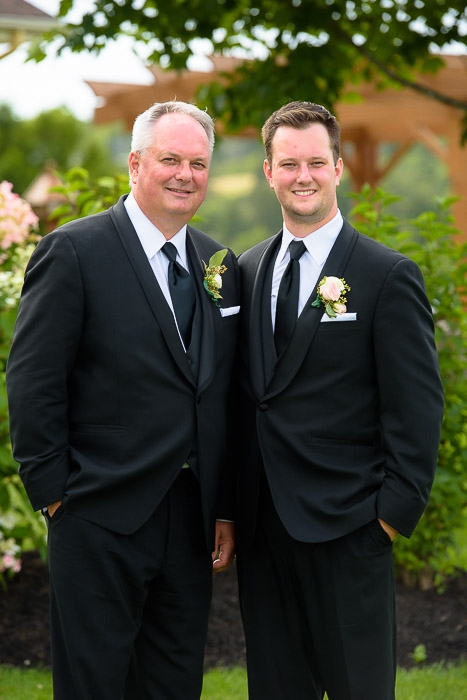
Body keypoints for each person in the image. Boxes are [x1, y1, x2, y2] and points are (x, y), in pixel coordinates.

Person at [6, 100, 240, 700]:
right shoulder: (73, 251)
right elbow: (33, 381)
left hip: (189, 522)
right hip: (96, 512)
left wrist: (223, 504)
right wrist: (55, 497)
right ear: (135, 164)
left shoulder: (218, 263)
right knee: (94, 685)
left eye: (198, 163)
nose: (185, 174)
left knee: (173, 685)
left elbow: (220, 393)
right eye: (170, 159)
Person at [234, 101, 444, 700]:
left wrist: (388, 520)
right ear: (268, 172)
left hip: (351, 529)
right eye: (289, 164)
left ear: (338, 167)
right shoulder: (247, 269)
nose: (303, 176)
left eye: (316, 163)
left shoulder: (386, 275)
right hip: (263, 534)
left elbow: (417, 408)